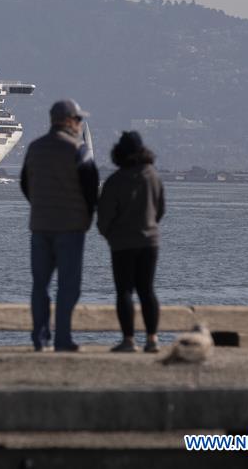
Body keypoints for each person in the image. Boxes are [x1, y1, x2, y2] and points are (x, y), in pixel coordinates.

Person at [20, 99, 99, 352]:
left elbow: (25, 184)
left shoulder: (34, 148)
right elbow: (91, 189)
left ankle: (39, 339)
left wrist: (39, 206)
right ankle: (63, 339)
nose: (80, 124)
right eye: (78, 120)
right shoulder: (80, 150)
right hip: (71, 227)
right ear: (68, 121)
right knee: (68, 286)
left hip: (40, 227)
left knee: (39, 285)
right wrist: (86, 217)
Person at [97, 131, 165, 353]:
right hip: (149, 242)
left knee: (124, 291)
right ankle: (152, 339)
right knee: (147, 290)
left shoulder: (115, 181)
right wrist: (150, 227)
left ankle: (128, 340)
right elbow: (160, 209)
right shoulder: (153, 177)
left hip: (122, 244)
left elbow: (104, 215)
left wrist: (109, 234)